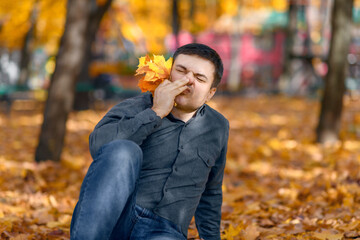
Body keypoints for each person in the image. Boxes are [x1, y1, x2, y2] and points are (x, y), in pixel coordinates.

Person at [70, 43, 229, 240]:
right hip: (113, 220)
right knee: (123, 150)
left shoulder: (218, 127)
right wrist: (155, 113)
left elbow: (211, 192)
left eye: (199, 78)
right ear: (168, 73)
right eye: (181, 71)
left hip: (164, 231)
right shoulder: (135, 107)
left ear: (210, 93)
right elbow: (99, 147)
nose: (188, 80)